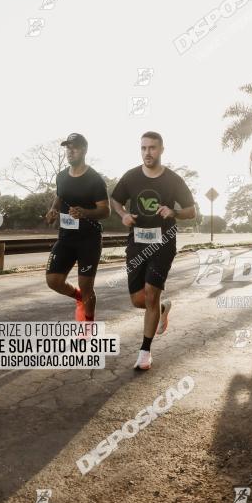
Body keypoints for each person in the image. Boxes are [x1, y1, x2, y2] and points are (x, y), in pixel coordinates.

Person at [111, 131, 196, 371]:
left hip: (163, 243)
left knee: (150, 293)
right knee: (139, 300)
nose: (148, 152)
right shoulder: (131, 177)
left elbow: (191, 211)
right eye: (144, 148)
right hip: (137, 243)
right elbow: (115, 200)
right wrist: (123, 214)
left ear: (161, 150)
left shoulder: (173, 180)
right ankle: (161, 309)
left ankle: (145, 351)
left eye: (152, 148)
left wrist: (174, 212)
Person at [45, 133, 110, 323]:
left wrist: (85, 213)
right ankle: (79, 297)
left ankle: (88, 328)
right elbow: (60, 197)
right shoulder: (62, 176)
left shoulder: (94, 179)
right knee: (53, 281)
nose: (70, 151)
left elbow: (105, 211)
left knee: (87, 286)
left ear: (84, 150)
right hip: (66, 238)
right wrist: (52, 211)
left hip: (88, 240)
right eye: (67, 147)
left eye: (74, 147)